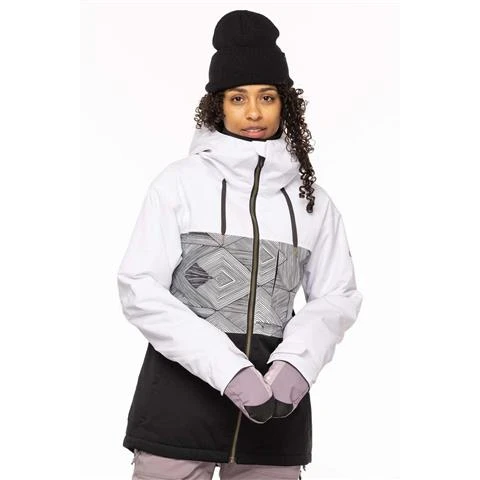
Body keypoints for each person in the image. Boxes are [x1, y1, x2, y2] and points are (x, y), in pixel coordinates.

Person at [117, 9, 363, 480]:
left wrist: (296, 366)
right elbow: (140, 288)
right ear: (218, 106)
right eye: (238, 98)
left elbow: (338, 295)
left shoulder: (313, 201)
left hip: (274, 416)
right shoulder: (179, 184)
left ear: (285, 104)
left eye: (267, 97)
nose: (253, 112)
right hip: (177, 408)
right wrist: (229, 370)